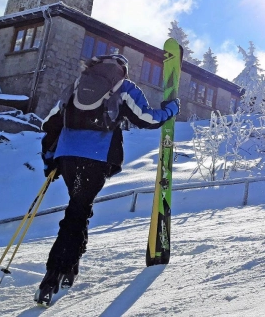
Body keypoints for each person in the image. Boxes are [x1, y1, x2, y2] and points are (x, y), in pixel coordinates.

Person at [35, 54, 180, 305]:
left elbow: (50, 122)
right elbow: (148, 119)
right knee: (78, 211)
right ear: (122, 69)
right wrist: (172, 108)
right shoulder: (123, 87)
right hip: (96, 158)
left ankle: (69, 267)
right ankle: (53, 275)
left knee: (79, 208)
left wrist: (50, 159)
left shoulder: (77, 85)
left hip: (67, 157)